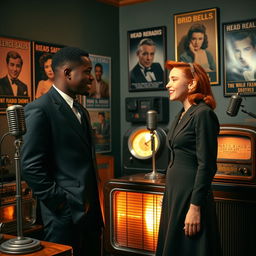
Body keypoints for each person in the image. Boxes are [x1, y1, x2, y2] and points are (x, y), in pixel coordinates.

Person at [21, 47, 103, 256]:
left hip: (91, 218)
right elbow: (30, 167)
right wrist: (63, 204)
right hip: (63, 218)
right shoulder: (39, 109)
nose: (91, 77)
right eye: (86, 71)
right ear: (67, 73)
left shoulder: (81, 110)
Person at [156, 61, 221, 256]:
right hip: (175, 194)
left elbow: (207, 166)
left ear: (192, 84)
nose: (168, 84)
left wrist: (195, 207)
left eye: (174, 79)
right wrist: (169, 193)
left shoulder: (203, 114)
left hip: (191, 197)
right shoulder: (181, 115)